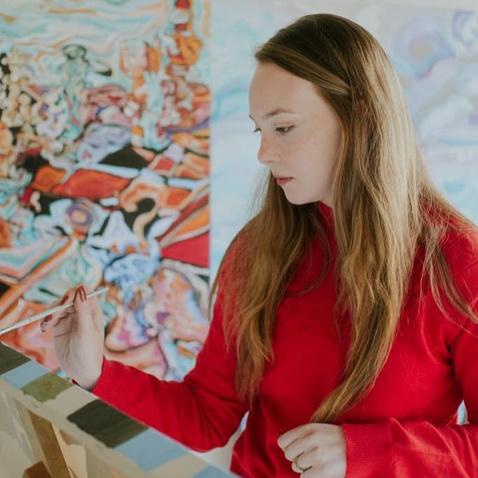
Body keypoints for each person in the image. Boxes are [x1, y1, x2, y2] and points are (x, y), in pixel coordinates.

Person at [39, 13, 478, 478]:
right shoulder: (258, 251)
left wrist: (367, 452)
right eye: (259, 131)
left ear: (359, 118)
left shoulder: (459, 263)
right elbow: (206, 415)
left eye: (283, 128)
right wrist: (94, 371)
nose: (264, 154)